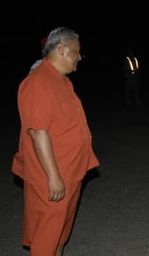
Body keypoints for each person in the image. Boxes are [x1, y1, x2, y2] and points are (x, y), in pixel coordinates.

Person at [12, 27, 99, 256]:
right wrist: (53, 177)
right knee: (46, 236)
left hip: (70, 172)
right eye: (76, 51)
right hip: (52, 176)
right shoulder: (38, 82)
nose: (79, 57)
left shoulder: (61, 81)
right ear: (61, 49)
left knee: (61, 232)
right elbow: (38, 132)